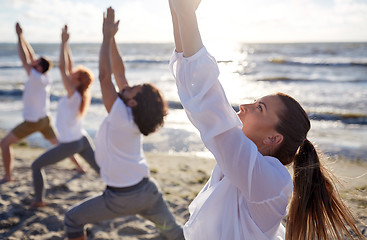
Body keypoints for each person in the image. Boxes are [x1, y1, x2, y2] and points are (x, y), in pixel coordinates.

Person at [168, 0, 364, 239]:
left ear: (273, 137)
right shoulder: (241, 166)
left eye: (259, 107)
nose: (245, 106)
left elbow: (212, 109)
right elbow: (193, 89)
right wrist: (179, 12)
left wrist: (186, 14)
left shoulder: (271, 180)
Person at [64, 7, 184, 240]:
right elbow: (119, 74)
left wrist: (106, 36)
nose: (126, 87)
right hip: (149, 193)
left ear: (133, 103)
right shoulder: (132, 116)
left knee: (72, 219)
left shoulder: (120, 115)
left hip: (119, 198)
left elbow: (105, 76)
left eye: (131, 89)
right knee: (175, 234)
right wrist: (113, 39)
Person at [0, 23, 84, 184]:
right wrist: (23, 37)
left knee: (4, 144)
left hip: (32, 122)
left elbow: (24, 58)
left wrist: (18, 36)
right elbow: (30, 57)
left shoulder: (35, 77)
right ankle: (80, 167)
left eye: (37, 63)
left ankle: (8, 176)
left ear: (40, 68)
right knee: (60, 145)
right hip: (45, 120)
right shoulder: (44, 77)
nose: (33, 62)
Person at [30, 25, 100, 207]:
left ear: (77, 81)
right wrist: (66, 43)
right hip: (82, 139)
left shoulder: (74, 94)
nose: (70, 74)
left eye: (74, 75)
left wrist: (62, 42)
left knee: (36, 166)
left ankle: (38, 201)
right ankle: (123, 190)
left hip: (71, 143)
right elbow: (67, 67)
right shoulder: (80, 94)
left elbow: (62, 68)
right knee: (102, 171)